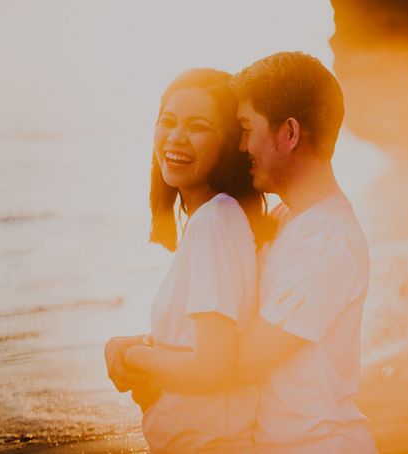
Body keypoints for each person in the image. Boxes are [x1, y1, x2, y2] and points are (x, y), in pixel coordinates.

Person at [104, 68, 267, 453]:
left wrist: (132, 354)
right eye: (168, 122)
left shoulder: (214, 222)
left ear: (228, 144)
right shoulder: (215, 219)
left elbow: (212, 367)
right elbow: (199, 345)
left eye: (198, 126)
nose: (176, 137)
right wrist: (146, 345)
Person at [231, 51, 377, 453]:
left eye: (246, 128)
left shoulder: (328, 241)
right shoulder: (288, 219)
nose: (241, 145)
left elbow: (246, 360)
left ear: (289, 134)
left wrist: (147, 360)